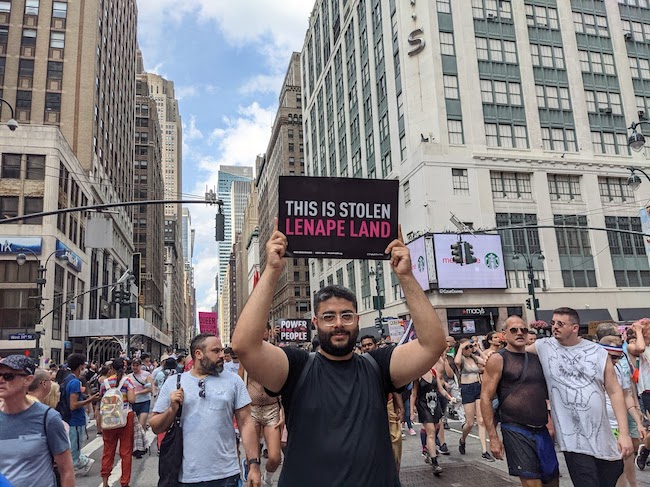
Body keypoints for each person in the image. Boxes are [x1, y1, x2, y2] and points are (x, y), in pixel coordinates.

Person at [231, 221, 447, 487]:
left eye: (346, 316)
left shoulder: (379, 365)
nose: (338, 324)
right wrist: (273, 270)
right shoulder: (296, 367)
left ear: (357, 319)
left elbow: (433, 345)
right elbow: (244, 346)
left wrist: (405, 275)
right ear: (315, 323)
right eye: (328, 317)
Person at [527, 307, 633, 487]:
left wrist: (624, 434)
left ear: (574, 328)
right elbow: (514, 353)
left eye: (560, 324)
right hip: (573, 438)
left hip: (602, 436)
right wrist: (490, 355)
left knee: (610, 479)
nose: (555, 327)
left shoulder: (597, 352)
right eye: (553, 323)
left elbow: (615, 391)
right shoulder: (544, 346)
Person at [151, 333, 260, 487]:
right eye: (216, 351)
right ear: (198, 354)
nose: (222, 355)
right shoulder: (175, 383)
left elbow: (246, 423)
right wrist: (172, 410)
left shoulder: (234, 381)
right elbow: (155, 426)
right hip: (187, 477)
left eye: (222, 350)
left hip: (227, 475)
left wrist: (254, 466)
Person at [480, 316, 559, 486]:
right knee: (532, 483)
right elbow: (486, 397)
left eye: (523, 329)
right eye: (514, 330)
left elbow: (543, 393)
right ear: (504, 334)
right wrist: (493, 437)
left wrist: (550, 422)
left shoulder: (536, 357)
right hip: (515, 428)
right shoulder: (497, 359)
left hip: (541, 428)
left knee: (552, 480)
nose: (519, 333)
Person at [0, 355, 75, 487]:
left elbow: (66, 470)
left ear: (28, 380)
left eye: (8, 376)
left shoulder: (48, 418)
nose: (1, 380)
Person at [239, 325, 284, 487]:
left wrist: (283, 409)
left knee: (275, 457)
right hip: (252, 409)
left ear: (269, 332)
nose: (262, 333)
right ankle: (251, 469)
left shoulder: (277, 354)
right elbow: (240, 383)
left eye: (264, 330)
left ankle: (268, 477)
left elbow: (284, 381)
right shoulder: (247, 355)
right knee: (254, 458)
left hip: (272, 410)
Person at [361, 334, 405, 474]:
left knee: (395, 442)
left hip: (388, 407)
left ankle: (394, 475)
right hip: (367, 411)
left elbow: (394, 386)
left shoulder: (383, 362)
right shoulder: (358, 363)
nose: (367, 347)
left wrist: (401, 408)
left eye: (369, 344)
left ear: (375, 345)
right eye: (364, 345)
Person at [411, 362, 455, 476]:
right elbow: (414, 393)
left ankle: (428, 451)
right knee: (431, 433)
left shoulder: (434, 372)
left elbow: (441, 389)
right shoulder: (418, 375)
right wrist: (411, 411)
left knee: (435, 429)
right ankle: (435, 463)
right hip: (423, 405)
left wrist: (450, 398)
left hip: (435, 405)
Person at [99, 357, 136, 487]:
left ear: (112, 368)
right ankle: (124, 482)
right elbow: (132, 399)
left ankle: (105, 481)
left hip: (109, 419)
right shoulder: (127, 382)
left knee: (108, 450)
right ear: (124, 368)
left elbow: (101, 399)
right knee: (125, 451)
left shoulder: (105, 383)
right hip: (125, 417)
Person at [455, 338, 492, 460]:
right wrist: (461, 347)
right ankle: (462, 439)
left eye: (469, 347)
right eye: (467, 348)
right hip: (467, 389)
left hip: (478, 386)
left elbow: (486, 362)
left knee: (481, 420)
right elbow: (456, 361)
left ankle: (484, 450)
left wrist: (477, 349)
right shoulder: (461, 360)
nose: (468, 349)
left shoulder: (474, 358)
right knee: (470, 423)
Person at [65, 353, 100, 476]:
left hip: (69, 420)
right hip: (76, 420)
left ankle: (80, 464)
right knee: (74, 451)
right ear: (80, 366)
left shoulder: (68, 379)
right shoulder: (74, 382)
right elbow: (73, 405)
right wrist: (90, 400)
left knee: (72, 449)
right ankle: (84, 462)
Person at [128, 358, 153, 430]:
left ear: (140, 366)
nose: (135, 367)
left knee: (142, 424)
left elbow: (149, 388)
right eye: (133, 365)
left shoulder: (146, 375)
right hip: (133, 402)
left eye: (137, 365)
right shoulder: (128, 376)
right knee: (133, 425)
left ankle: (142, 439)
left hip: (144, 401)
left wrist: (138, 393)